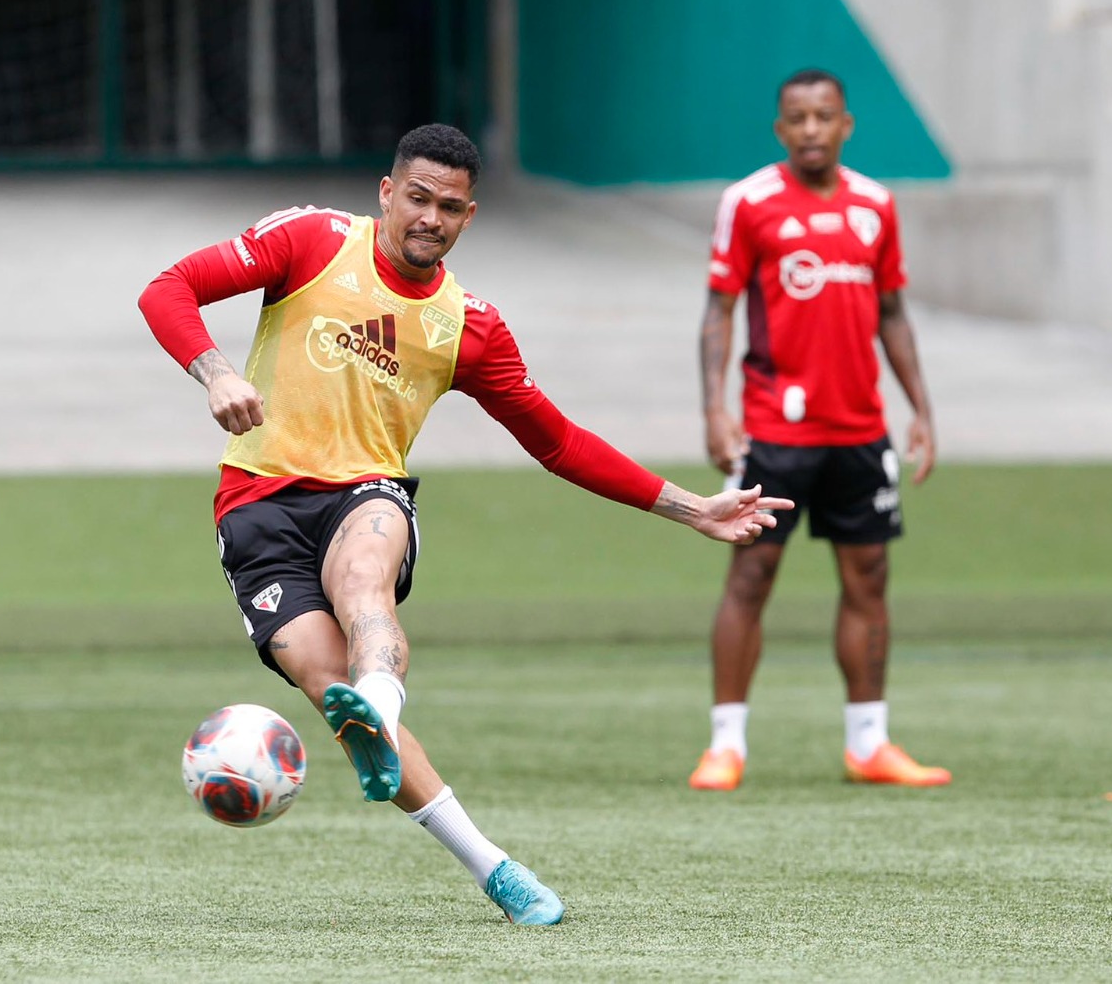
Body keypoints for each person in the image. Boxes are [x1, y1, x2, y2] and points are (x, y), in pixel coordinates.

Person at [139, 123, 793, 925]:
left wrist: (691, 508)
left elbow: (557, 441)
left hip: (366, 493)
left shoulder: (468, 326)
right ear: (387, 193)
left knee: (363, 581)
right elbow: (168, 288)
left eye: (449, 207)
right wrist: (217, 373)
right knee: (321, 677)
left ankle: (376, 703)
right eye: (417, 197)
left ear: (468, 216)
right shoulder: (309, 240)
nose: (430, 218)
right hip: (256, 507)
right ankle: (493, 866)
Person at [689, 69, 948, 792]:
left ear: (846, 125)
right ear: (780, 129)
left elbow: (892, 313)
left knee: (868, 579)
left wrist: (920, 408)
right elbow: (719, 310)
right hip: (775, 429)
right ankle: (725, 744)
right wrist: (716, 408)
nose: (810, 129)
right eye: (796, 118)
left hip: (861, 430)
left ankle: (869, 743)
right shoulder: (749, 202)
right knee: (752, 575)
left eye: (823, 117)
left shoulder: (876, 205)